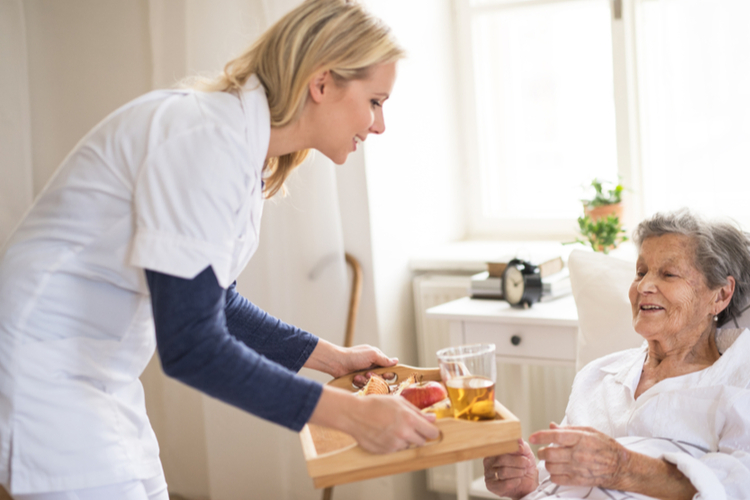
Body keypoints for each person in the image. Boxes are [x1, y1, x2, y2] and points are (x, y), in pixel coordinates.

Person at [0, 1, 439, 498]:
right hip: (45, 371)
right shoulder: (206, 141)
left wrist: (332, 360)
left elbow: (217, 301)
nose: (379, 124)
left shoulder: (237, 144)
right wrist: (349, 415)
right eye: (376, 101)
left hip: (99, 373)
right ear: (322, 84)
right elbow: (192, 345)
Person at [483, 209, 750, 500]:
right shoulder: (598, 376)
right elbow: (565, 478)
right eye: (641, 272)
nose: (643, 287)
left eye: (668, 274)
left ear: (720, 294)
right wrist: (528, 481)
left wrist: (623, 467)